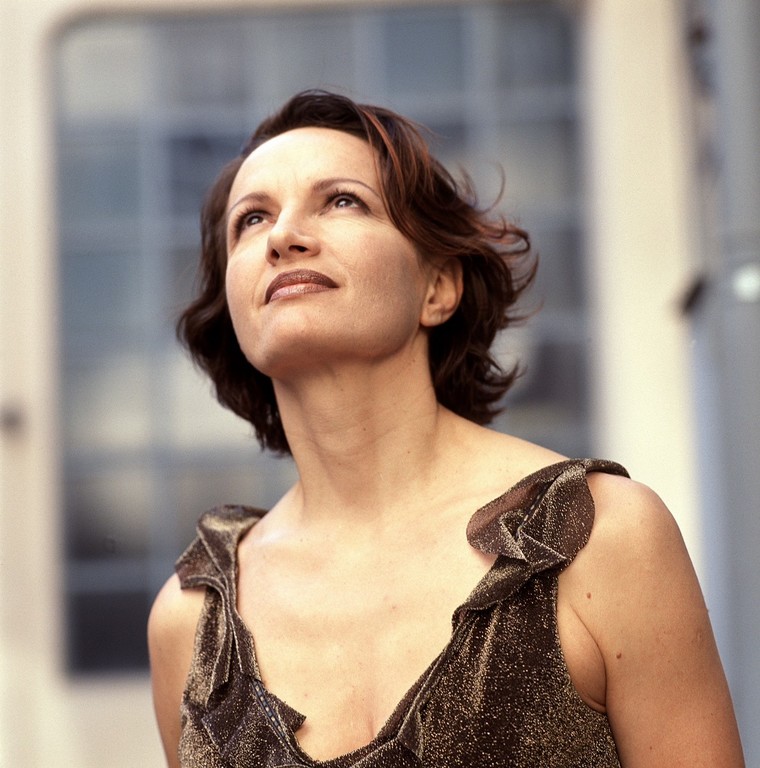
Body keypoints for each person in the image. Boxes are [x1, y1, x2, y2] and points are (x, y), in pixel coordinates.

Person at [148, 90, 744, 768]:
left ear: (438, 287)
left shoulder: (602, 539)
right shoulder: (189, 625)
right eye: (251, 219)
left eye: (342, 201)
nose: (283, 236)